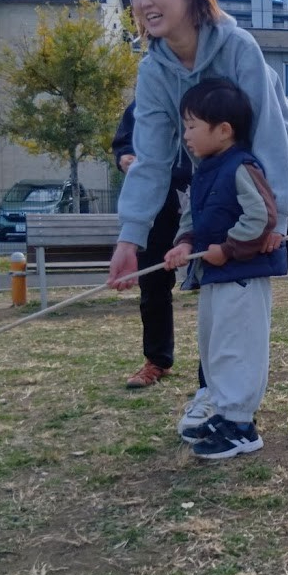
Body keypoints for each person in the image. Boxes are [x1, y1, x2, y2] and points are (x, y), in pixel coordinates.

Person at [107, 0, 288, 437]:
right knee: (217, 283)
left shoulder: (237, 46)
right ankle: (211, 388)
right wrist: (131, 238)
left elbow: (269, 136)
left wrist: (275, 219)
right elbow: (151, 160)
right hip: (219, 183)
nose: (143, 0)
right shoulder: (153, 71)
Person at [164, 78, 286, 460]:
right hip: (213, 277)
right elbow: (192, 217)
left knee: (238, 347)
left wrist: (230, 249)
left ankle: (241, 425)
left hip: (241, 277)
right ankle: (224, 412)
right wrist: (184, 244)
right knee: (213, 346)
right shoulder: (204, 170)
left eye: (192, 125)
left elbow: (262, 214)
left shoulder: (241, 167)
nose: (186, 135)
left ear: (224, 130)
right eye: (185, 126)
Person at [111, 102, 196, 389]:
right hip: (155, 202)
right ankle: (157, 359)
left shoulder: (205, 93)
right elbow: (123, 144)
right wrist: (124, 158)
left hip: (201, 190)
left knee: (217, 283)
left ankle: (216, 370)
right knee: (153, 284)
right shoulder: (143, 103)